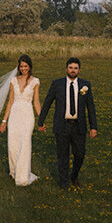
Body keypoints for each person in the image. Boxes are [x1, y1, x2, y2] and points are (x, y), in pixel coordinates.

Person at [37, 56, 97, 189]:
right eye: (70, 68)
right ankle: (64, 182)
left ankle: (74, 176)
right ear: (66, 68)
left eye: (75, 68)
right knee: (62, 155)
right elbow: (47, 103)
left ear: (79, 70)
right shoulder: (57, 84)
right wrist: (40, 121)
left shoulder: (85, 85)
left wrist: (94, 127)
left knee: (80, 154)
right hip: (62, 125)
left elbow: (90, 107)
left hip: (78, 126)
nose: (73, 70)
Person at [0, 54, 40, 186]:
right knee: (13, 145)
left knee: (25, 143)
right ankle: (15, 172)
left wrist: (41, 119)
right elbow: (10, 102)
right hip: (15, 115)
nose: (23, 68)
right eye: (21, 66)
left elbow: (36, 102)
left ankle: (22, 177)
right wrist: (4, 121)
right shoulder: (13, 81)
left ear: (30, 66)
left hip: (27, 115)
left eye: (25, 66)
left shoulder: (35, 81)